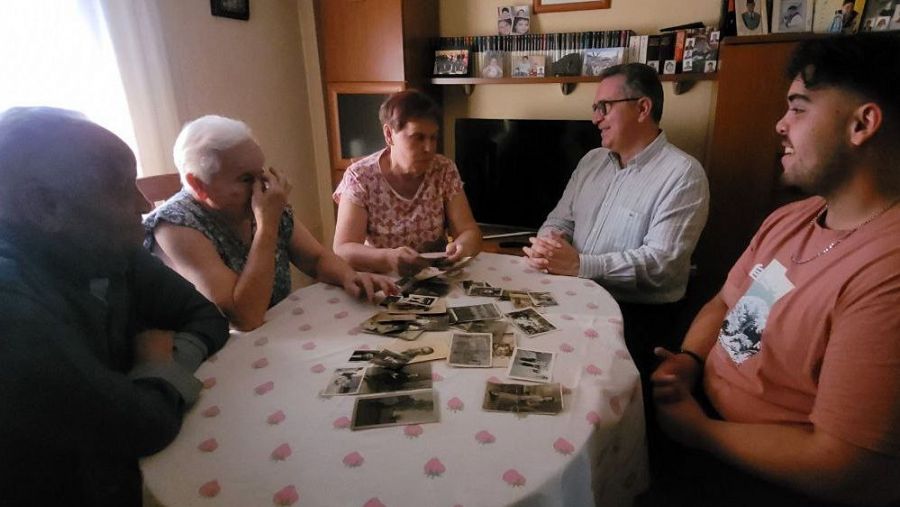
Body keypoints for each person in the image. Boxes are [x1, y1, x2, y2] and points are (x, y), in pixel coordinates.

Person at [650, 35, 900, 506]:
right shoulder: (792, 218)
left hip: (765, 477)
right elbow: (727, 303)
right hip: (703, 412)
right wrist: (691, 361)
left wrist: (701, 433)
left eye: (799, 108)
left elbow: (849, 468)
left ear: (862, 124)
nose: (779, 124)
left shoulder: (887, 270)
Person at [0, 107, 230, 506]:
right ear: (43, 206)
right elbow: (144, 425)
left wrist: (156, 370)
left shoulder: (102, 246)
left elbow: (207, 318)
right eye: (121, 187)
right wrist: (155, 367)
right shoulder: (10, 306)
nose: (143, 205)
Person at [523, 63, 709, 379]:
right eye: (596, 108)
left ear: (642, 108)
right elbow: (561, 219)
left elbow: (661, 264)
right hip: (573, 294)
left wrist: (580, 265)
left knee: (573, 383)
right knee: (522, 355)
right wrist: (549, 242)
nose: (596, 118)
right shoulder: (591, 161)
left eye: (604, 107)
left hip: (635, 315)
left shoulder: (683, 175)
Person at [144, 115, 396, 331]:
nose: (263, 186)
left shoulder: (261, 201)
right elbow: (245, 318)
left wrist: (349, 276)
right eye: (245, 178)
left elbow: (316, 259)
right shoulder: (175, 226)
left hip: (275, 332)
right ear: (199, 185)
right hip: (213, 352)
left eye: (260, 173)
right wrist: (267, 225)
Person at [332, 90, 481, 276]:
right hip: (383, 278)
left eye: (433, 137)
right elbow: (343, 248)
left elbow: (469, 231)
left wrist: (462, 246)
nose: (429, 148)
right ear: (389, 134)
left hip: (436, 275)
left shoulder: (444, 170)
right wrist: (387, 258)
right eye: (417, 137)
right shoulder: (360, 177)